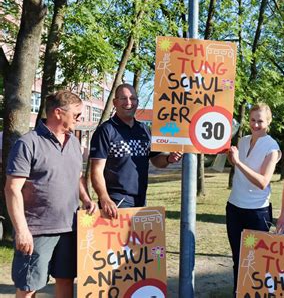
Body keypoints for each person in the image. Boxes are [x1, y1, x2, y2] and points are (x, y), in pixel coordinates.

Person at [5, 90, 97, 298]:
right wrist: (21, 230)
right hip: (38, 230)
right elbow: (12, 189)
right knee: (29, 286)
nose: (80, 119)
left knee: (66, 280)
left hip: (70, 227)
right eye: (77, 115)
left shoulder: (73, 143)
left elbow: (77, 177)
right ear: (58, 113)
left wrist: (86, 199)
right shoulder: (28, 143)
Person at [90, 83, 181, 218]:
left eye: (133, 98)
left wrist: (169, 159)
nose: (129, 102)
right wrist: (104, 198)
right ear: (115, 102)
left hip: (140, 199)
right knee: (120, 240)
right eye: (123, 98)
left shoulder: (144, 130)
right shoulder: (106, 130)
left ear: (137, 102)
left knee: (136, 239)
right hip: (116, 201)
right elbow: (96, 170)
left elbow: (156, 160)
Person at [226, 103, 281, 294]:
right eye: (252, 120)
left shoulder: (272, 147)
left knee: (257, 261)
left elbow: (263, 182)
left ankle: (257, 293)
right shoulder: (242, 141)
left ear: (269, 122)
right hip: (234, 207)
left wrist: (238, 162)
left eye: (260, 121)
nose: (256, 125)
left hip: (257, 212)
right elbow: (234, 165)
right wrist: (231, 158)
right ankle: (238, 293)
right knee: (238, 258)